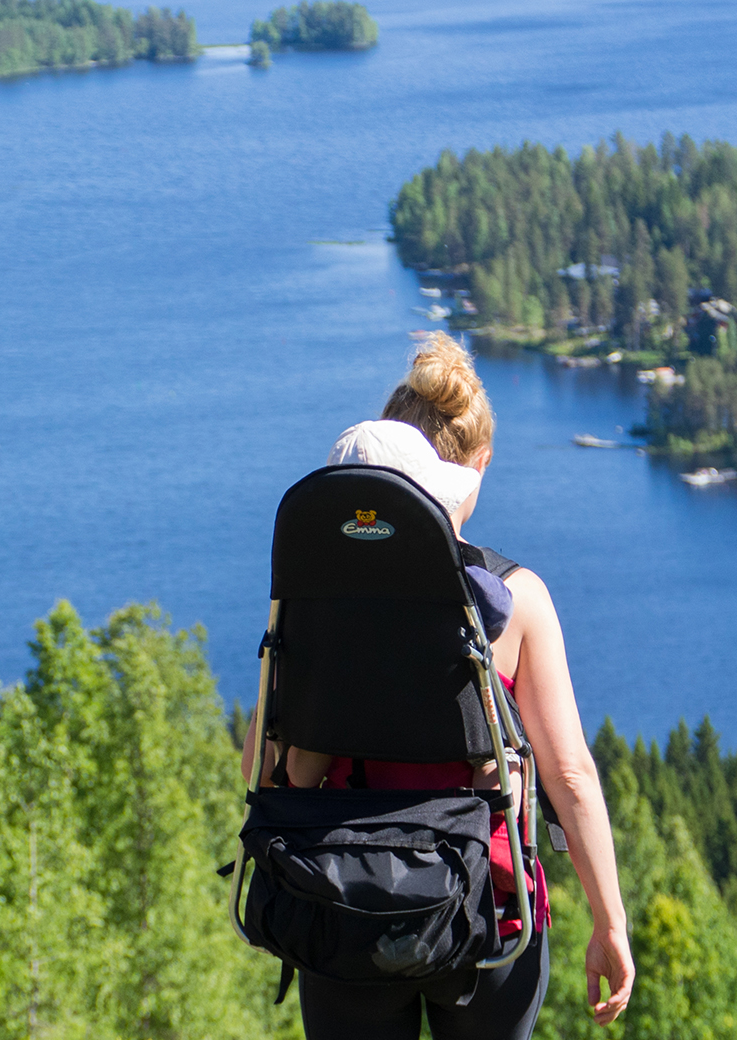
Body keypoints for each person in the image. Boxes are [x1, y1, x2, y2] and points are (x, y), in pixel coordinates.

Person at [266, 331, 636, 1038]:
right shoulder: (515, 599)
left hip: (343, 899)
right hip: (486, 907)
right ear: (477, 467)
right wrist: (608, 919)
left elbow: (268, 759)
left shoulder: (312, 603)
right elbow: (569, 774)